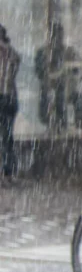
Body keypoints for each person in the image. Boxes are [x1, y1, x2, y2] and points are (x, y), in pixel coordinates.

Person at [0, 24, 20, 181]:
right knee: (7, 137)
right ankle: (8, 172)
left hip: (4, 98)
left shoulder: (7, 53)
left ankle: (6, 172)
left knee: (5, 137)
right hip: (10, 98)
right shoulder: (12, 53)